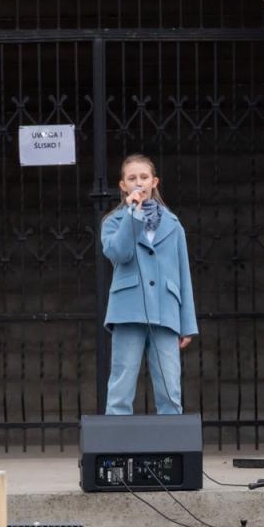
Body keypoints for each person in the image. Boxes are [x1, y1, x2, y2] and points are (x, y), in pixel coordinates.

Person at [100, 154, 197, 415]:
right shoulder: (113, 222)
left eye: (144, 177)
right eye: (132, 178)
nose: (139, 183)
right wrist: (133, 214)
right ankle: (117, 447)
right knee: (121, 388)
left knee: (169, 390)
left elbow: (183, 273)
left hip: (165, 312)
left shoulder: (173, 224)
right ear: (123, 186)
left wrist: (187, 323)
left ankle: (172, 449)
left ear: (155, 182)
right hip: (127, 311)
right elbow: (119, 254)